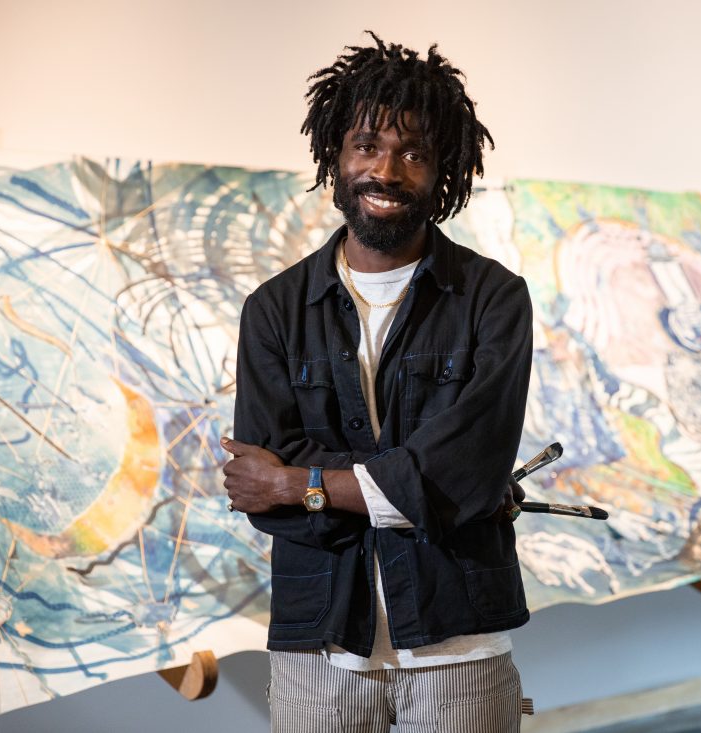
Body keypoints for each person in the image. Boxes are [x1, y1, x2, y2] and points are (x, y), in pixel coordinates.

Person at [221, 32, 534, 732]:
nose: (386, 171)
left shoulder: (493, 298)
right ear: (335, 153)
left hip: (461, 646)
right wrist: (393, 483)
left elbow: (471, 471)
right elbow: (258, 494)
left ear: (443, 169)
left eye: (414, 153)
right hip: (320, 648)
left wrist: (300, 482)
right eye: (366, 145)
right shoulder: (273, 310)